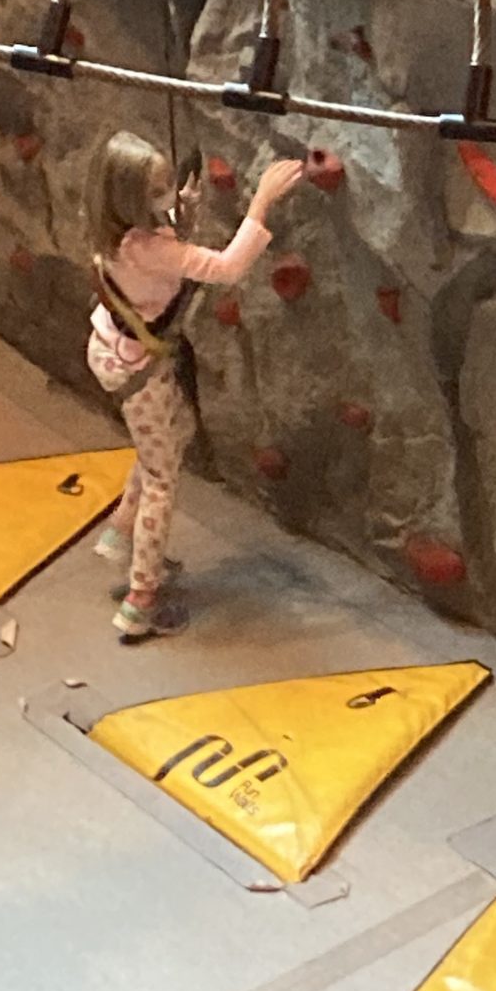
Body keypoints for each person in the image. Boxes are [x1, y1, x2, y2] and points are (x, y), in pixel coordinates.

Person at [85, 130, 304, 641]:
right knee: (163, 477)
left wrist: (182, 211)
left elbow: (166, 252)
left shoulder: (116, 232)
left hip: (115, 348)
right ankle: (141, 598)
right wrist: (262, 202)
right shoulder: (151, 247)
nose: (168, 194)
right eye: (157, 190)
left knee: (172, 434)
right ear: (133, 201)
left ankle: (122, 532)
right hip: (139, 369)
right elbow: (224, 267)